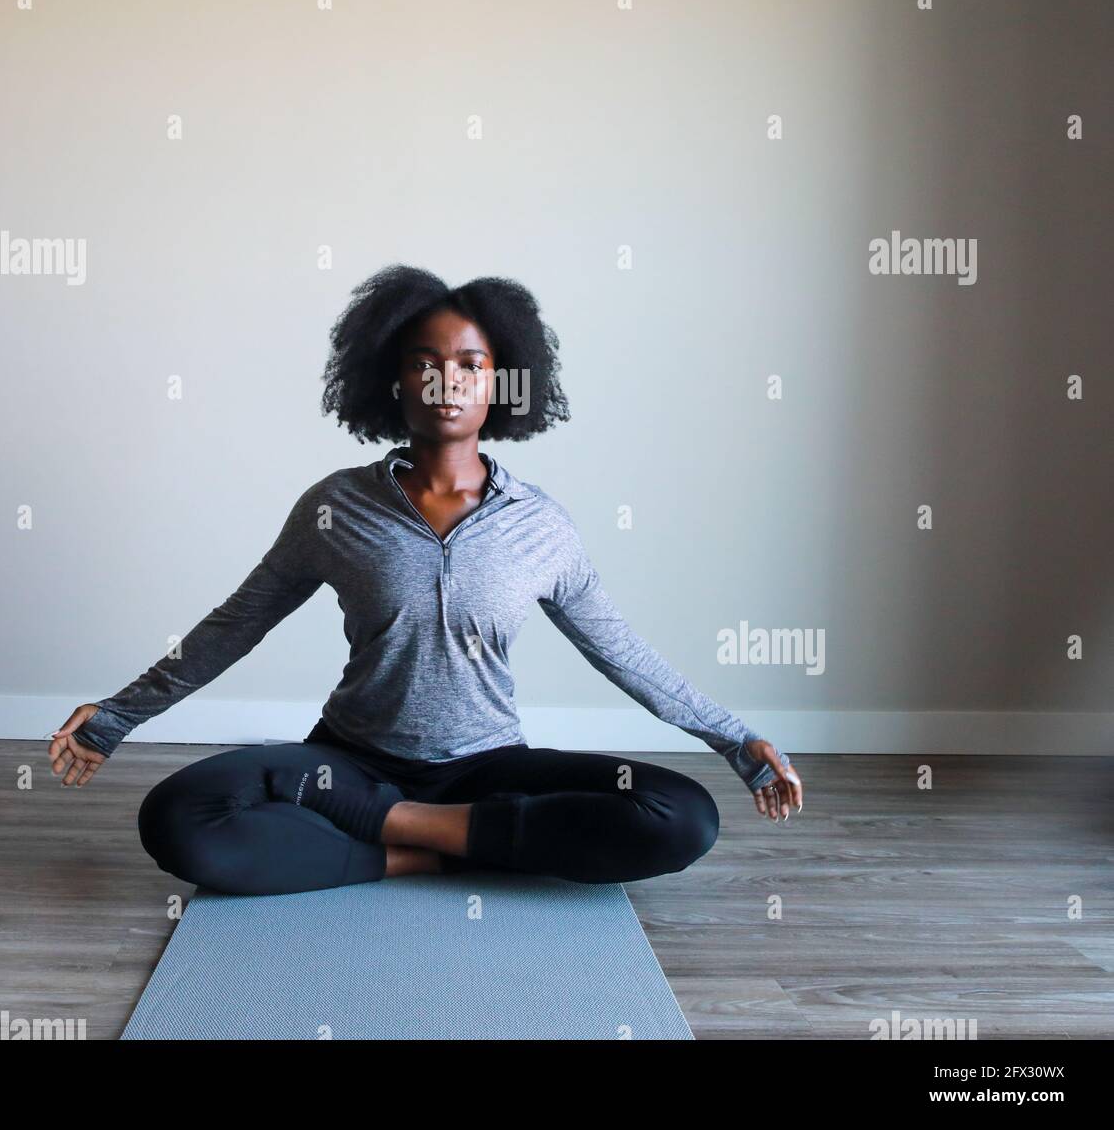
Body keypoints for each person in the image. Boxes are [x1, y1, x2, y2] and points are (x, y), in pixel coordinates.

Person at [48, 264, 802, 896]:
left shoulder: (541, 526)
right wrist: (115, 717)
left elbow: (623, 653)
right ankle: (452, 850)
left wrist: (738, 743)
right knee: (178, 815)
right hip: (345, 767)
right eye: (424, 362)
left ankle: (394, 838)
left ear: (501, 383)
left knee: (681, 815)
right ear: (394, 381)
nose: (447, 380)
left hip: (489, 772)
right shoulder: (335, 506)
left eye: (470, 365)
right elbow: (234, 625)